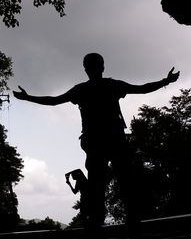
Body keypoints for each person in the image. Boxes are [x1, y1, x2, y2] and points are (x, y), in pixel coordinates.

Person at [13, 52, 179, 238]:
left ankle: (97, 223)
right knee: (125, 180)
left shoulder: (81, 90)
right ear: (102, 66)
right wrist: (166, 81)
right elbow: (142, 88)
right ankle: (132, 219)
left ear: (85, 69)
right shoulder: (111, 85)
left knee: (97, 184)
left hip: (94, 142)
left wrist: (28, 98)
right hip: (115, 139)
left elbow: (54, 101)